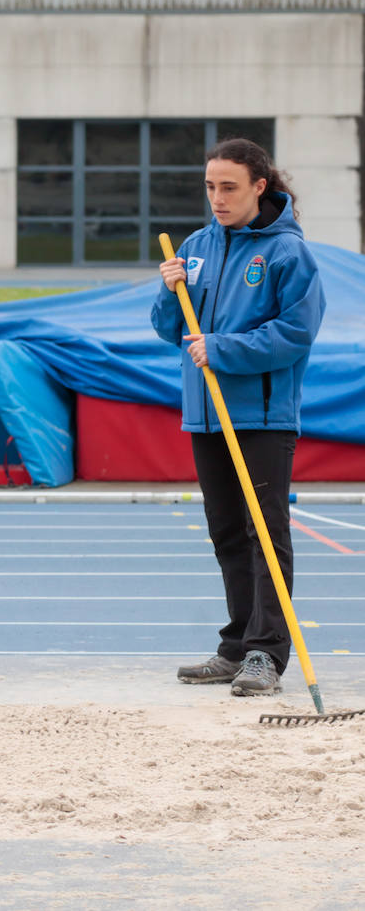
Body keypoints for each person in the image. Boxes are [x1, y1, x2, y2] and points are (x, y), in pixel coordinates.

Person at [153, 138, 325, 696]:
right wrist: (169, 291)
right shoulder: (198, 245)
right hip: (206, 415)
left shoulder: (287, 254)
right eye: (210, 187)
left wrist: (223, 349)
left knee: (264, 534)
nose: (218, 198)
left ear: (259, 186)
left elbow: (295, 335)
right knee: (226, 531)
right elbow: (170, 328)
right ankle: (236, 646)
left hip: (263, 417)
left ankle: (266, 654)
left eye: (229, 187)